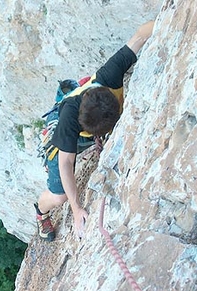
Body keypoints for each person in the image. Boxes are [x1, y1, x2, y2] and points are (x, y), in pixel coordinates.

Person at [34, 21, 155, 241]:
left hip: (90, 126)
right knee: (59, 196)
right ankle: (40, 213)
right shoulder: (69, 122)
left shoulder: (109, 76)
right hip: (58, 135)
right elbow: (65, 163)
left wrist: (173, 16)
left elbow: (139, 36)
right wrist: (77, 207)